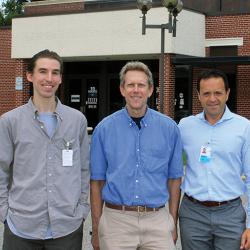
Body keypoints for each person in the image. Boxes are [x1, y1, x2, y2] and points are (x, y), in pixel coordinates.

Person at [0, 49, 90, 250]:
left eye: (55, 72)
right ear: (30, 76)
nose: (49, 78)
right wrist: (4, 213)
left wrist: (82, 209)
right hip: (21, 228)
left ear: (60, 78)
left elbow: (84, 169)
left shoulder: (77, 121)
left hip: (67, 228)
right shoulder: (9, 122)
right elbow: (1, 170)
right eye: (43, 71)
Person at [90, 61, 183, 250]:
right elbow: (96, 182)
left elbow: (175, 180)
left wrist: (172, 222)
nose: (136, 90)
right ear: (122, 89)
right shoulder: (104, 129)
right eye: (130, 85)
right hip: (117, 221)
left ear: (150, 90)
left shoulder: (169, 129)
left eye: (141, 85)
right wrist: (96, 227)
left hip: (157, 220)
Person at [178, 69, 250, 250]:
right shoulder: (185, 126)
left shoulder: (244, 127)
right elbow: (173, 166)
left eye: (218, 93)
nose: (212, 99)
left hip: (230, 214)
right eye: (206, 93)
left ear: (227, 93)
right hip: (193, 214)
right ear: (198, 96)